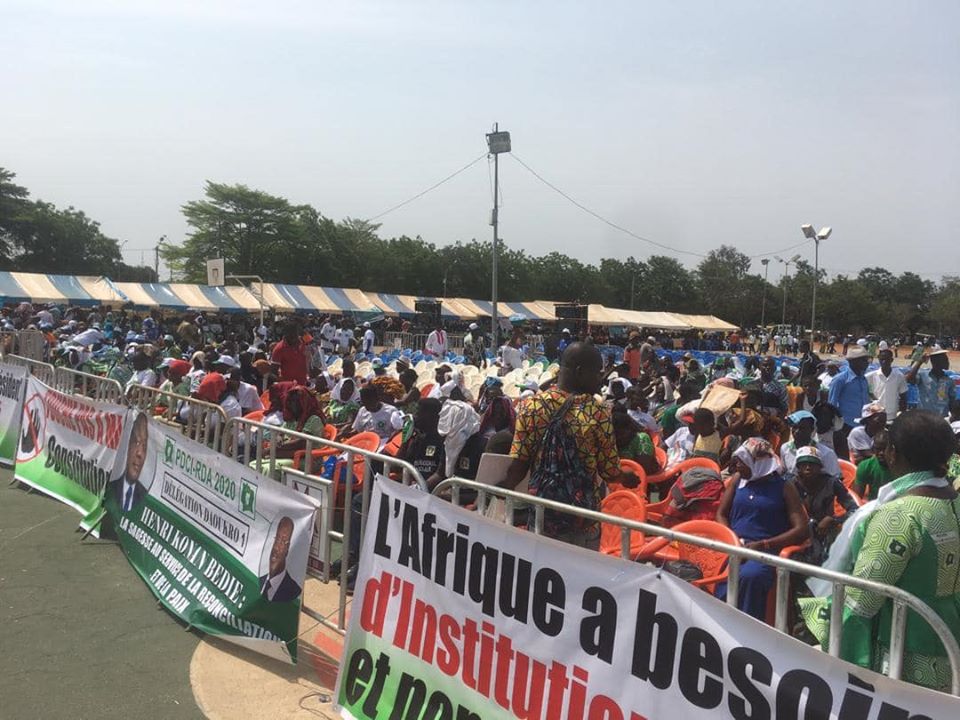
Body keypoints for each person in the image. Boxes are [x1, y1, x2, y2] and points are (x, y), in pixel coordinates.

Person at [800, 411, 960, 692]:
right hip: (951, 642)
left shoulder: (899, 516)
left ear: (893, 453)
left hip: (906, 654)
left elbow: (862, 601)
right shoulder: (954, 503)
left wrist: (822, 629)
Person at [502, 342, 636, 548]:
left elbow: (519, 464)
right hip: (582, 520)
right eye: (597, 373)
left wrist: (502, 493)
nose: (600, 379)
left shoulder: (533, 406)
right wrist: (626, 477)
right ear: (580, 372)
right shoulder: (597, 412)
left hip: (543, 515)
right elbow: (609, 472)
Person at [715, 437, 809, 619]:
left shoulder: (784, 487)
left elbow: (801, 529)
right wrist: (732, 540)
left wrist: (764, 544)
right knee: (710, 570)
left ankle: (747, 625)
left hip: (765, 551)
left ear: (757, 463)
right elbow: (721, 514)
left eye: (741, 462)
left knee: (751, 576)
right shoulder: (738, 480)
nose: (736, 467)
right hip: (734, 546)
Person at [791, 445, 858, 565]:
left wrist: (834, 520)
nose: (808, 467)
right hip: (796, 533)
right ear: (798, 467)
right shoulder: (789, 485)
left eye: (812, 464)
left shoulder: (832, 483)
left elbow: (854, 510)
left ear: (820, 467)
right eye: (804, 464)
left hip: (824, 535)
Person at [828, 347, 871, 460]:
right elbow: (831, 404)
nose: (867, 363)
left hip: (862, 425)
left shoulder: (863, 379)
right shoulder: (840, 379)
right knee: (845, 457)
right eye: (864, 360)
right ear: (853, 362)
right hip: (846, 426)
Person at [779, 410, 841, 481]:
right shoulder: (785, 448)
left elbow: (835, 480)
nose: (797, 431)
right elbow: (784, 472)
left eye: (802, 428)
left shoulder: (826, 454)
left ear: (811, 430)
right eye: (795, 427)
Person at [109, 412, 150, 513]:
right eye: (136, 443)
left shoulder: (146, 498)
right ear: (128, 445)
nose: (139, 453)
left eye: (144, 447)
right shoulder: (111, 487)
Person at [259, 517, 302, 602]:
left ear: (288, 548)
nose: (276, 548)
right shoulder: (260, 581)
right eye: (277, 539)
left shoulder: (294, 591)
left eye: (283, 542)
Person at [906, 347, 955, 417]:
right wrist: (920, 362)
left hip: (942, 419)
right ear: (935, 362)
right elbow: (909, 379)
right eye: (944, 359)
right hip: (924, 418)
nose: (947, 362)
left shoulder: (949, 381)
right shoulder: (923, 376)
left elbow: (952, 401)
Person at [612, 408, 659, 475]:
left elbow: (644, 469)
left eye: (621, 433)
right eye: (615, 433)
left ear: (629, 428)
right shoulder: (612, 443)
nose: (619, 436)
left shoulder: (641, 439)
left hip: (647, 477)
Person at [867, 348, 907, 422]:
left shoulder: (899, 376)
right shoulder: (870, 376)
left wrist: (902, 415)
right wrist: (873, 400)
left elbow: (903, 396)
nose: (884, 362)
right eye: (882, 359)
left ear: (891, 360)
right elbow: (865, 392)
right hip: (876, 416)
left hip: (893, 416)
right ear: (878, 360)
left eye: (887, 359)